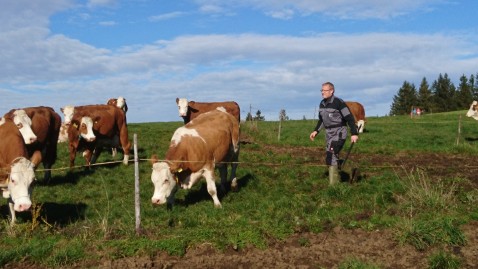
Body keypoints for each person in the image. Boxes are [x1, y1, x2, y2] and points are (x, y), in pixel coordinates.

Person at [309, 82, 359, 185]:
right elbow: (321, 120)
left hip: (339, 132)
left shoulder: (339, 103)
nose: (322, 92)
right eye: (321, 90)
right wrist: (316, 131)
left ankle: (334, 186)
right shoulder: (322, 104)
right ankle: (352, 171)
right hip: (329, 133)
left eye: (325, 90)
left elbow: (349, 118)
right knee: (329, 157)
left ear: (331, 91)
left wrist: (354, 133)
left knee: (332, 154)